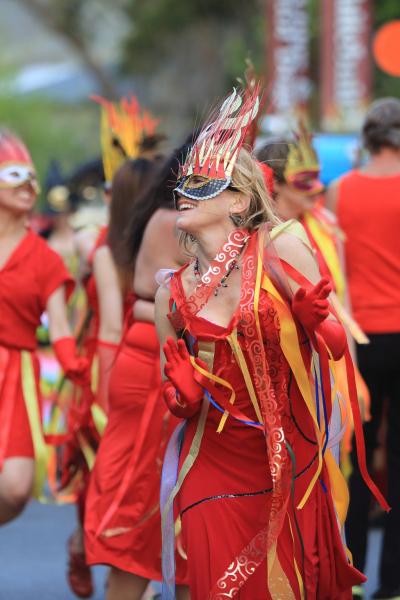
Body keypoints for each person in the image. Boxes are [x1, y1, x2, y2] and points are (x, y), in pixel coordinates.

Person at [155, 88, 387, 599]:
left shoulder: (282, 246)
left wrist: (315, 323)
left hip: (286, 458)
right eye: (182, 184)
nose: (183, 192)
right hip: (211, 461)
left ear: (238, 199)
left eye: (201, 184)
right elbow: (172, 396)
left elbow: (336, 348)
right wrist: (182, 396)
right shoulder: (171, 292)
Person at [84, 145, 190, 600]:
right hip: (158, 371)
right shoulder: (173, 222)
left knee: (181, 506)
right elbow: (119, 318)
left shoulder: (165, 221)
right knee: (148, 498)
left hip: (160, 366)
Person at [327, 98, 400, 600]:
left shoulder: (337, 192)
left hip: (356, 339)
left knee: (354, 458)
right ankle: (394, 584)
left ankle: (348, 575)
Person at [0, 129, 89, 526]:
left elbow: (60, 327)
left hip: (17, 376)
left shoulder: (45, 257)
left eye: (31, 177)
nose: (28, 185)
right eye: (15, 175)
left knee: (16, 488)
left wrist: (74, 362)